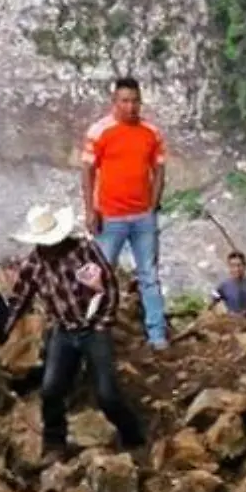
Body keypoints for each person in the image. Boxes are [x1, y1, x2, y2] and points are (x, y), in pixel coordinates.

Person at [6, 204, 146, 459]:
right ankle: (55, 444)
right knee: (50, 389)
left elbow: (110, 287)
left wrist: (103, 322)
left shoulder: (84, 249)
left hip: (93, 328)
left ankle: (133, 437)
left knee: (107, 393)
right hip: (63, 329)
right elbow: (19, 300)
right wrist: (1, 330)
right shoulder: (35, 264)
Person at [81, 77, 170, 350]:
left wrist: (153, 203)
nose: (131, 107)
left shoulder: (151, 133)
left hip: (143, 216)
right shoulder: (99, 132)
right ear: (115, 102)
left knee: (149, 276)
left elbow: (159, 170)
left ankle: (157, 335)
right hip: (110, 217)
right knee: (100, 276)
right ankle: (94, 331)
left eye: (135, 101)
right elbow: (87, 171)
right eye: (125, 101)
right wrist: (90, 210)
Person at [210, 251, 246, 317]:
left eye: (239, 265)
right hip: (230, 323)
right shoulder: (222, 286)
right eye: (233, 266)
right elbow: (211, 304)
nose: (236, 269)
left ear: (245, 266)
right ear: (229, 267)